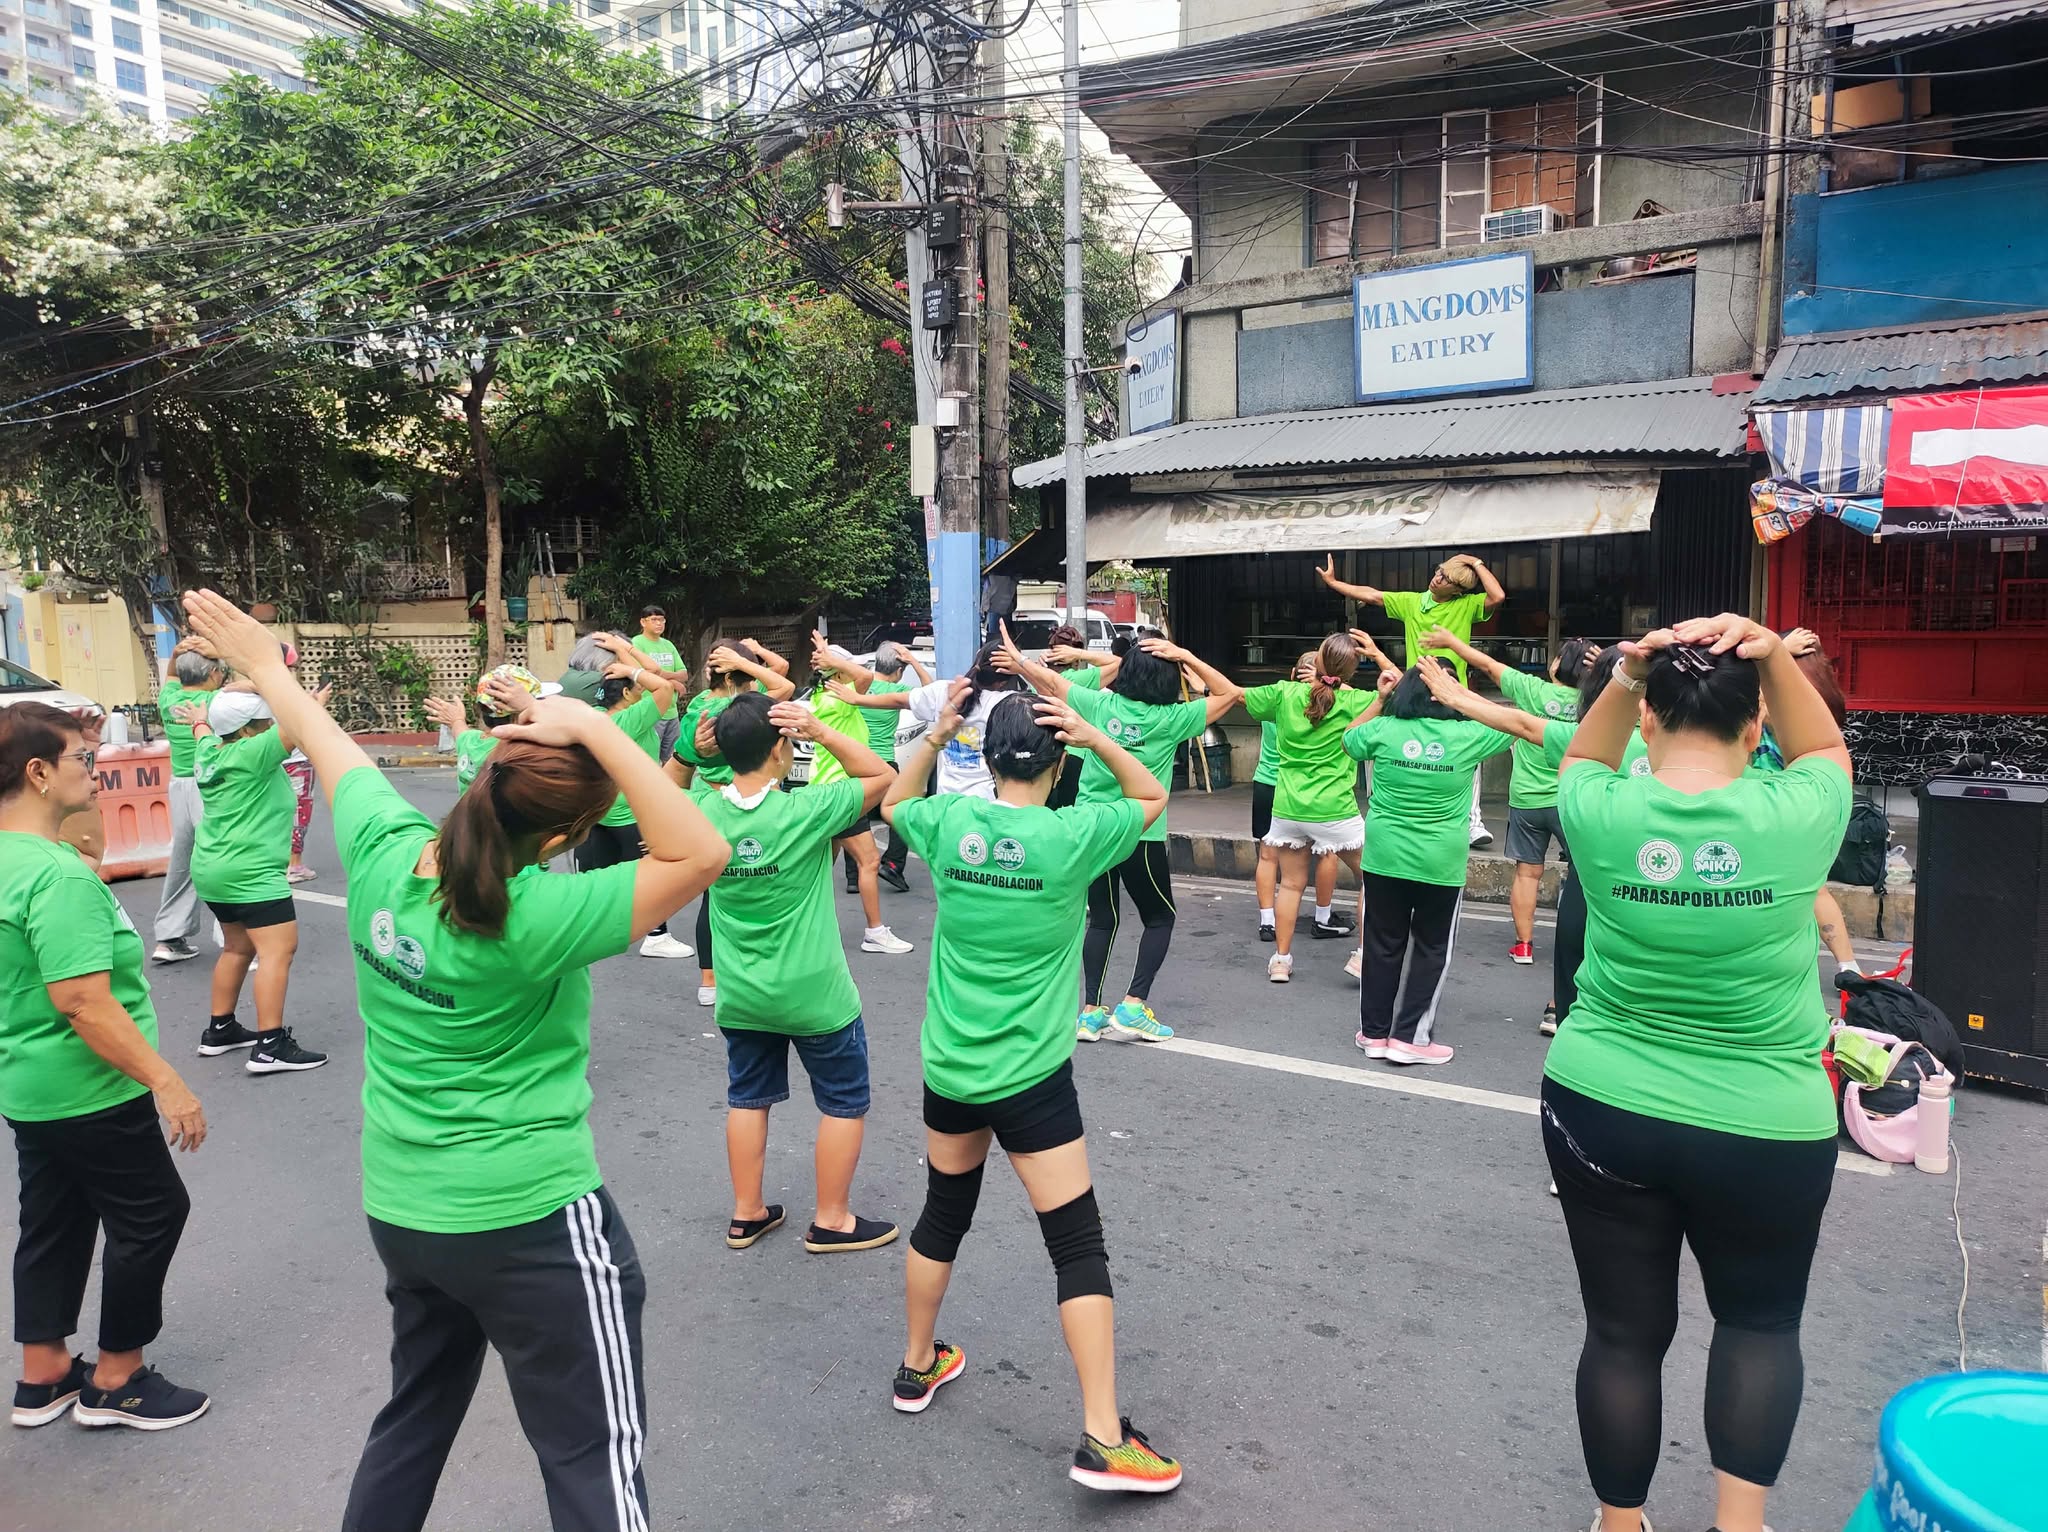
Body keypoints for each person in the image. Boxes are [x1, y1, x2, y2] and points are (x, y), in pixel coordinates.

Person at [176, 589, 729, 1532]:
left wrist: (265, 665)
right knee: (594, 1461)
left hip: (406, 1209)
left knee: (415, 1419)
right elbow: (699, 851)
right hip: (529, 1221)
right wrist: (597, 729)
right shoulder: (538, 915)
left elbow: (326, 740)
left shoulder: (386, 854)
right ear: (561, 839)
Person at [1545, 612, 1853, 1532]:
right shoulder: (1799, 812)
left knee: (1621, 1335)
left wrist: (1627, 673)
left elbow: (1583, 752)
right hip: (1768, 1122)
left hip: (1603, 1103)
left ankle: (1619, 1524)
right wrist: (1772, 652)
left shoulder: (1600, 808)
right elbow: (1824, 746)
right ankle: (1739, 1525)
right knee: (1758, 1325)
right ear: (1756, 727)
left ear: (1647, 720)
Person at [881, 687, 1183, 1494]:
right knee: (1076, 1244)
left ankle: (916, 1365)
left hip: (950, 1066)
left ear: (984, 757)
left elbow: (894, 801)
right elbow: (1150, 796)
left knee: (943, 1212)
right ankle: (1103, 1436)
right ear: (1059, 761)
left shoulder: (948, 822)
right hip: (1032, 1081)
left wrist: (935, 734)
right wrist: (1096, 734)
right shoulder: (1072, 835)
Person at [1, 702, 212, 1432]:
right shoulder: (55, 878)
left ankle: (43, 1374)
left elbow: (40, 974)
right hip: (88, 1085)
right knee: (153, 1215)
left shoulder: (17, 860)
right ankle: (118, 1378)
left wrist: (77, 746)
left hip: (29, 1082)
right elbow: (84, 1002)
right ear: (37, 773)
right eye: (80, 760)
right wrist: (166, 1080)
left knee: (54, 1220)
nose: (93, 772)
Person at [692, 691, 900, 1254]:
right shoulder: (807, 809)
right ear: (780, 750)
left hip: (741, 993)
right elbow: (881, 775)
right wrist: (822, 731)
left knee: (747, 1097)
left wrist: (691, 755)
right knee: (842, 1101)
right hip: (817, 994)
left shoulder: (703, 811)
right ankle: (832, 1219)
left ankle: (746, 1213)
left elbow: (662, 791)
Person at [1001, 624, 1242, 1042]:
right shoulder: (1173, 719)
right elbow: (1230, 693)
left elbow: (1051, 682)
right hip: (1139, 832)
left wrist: (1020, 659)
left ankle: (1091, 1012)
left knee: (1102, 919)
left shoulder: (1098, 705)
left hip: (1092, 828)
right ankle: (1133, 1004)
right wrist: (1185, 654)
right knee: (1159, 918)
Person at [1342, 663, 1513, 1066]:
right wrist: (1461, 696)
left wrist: (1380, 699)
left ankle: (1374, 1033)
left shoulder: (1383, 730)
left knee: (1381, 945)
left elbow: (1349, 740)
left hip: (1384, 857)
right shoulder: (1470, 736)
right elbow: (1512, 724)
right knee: (1432, 948)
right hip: (1440, 862)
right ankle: (1410, 1038)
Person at [1422, 628, 1601, 967]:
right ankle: (1584, 943)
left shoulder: (1532, 690)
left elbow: (1488, 665)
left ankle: (1524, 946)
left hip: (1527, 800)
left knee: (1527, 874)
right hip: (1574, 800)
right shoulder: (1599, 703)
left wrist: (1452, 642)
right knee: (1584, 876)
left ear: (1557, 664)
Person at [177, 683, 328, 1075]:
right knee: (278, 951)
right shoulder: (254, 752)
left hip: (213, 868)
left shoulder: (209, 750)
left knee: (237, 948)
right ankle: (271, 1046)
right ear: (246, 730)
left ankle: (220, 1030)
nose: (270, 726)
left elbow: (202, 730)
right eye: (263, 722)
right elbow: (298, 725)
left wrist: (200, 720)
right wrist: (310, 704)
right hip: (251, 872)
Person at [1318, 551, 1505, 848]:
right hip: (1413, 691)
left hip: (1451, 693)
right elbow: (1374, 595)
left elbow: (1497, 596)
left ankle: (1472, 822)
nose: (1437, 579)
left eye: (1446, 578)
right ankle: (1382, 809)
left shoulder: (1467, 605)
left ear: (1457, 590)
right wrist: (1334, 583)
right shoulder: (1413, 602)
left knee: (1468, 756)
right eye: (1439, 571)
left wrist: (1475, 562)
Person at [1241, 632, 1390, 982]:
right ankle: (1363, 956)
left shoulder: (1286, 693)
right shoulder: (1355, 700)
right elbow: (1400, 686)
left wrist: (1189, 659)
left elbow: (1234, 693)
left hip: (1289, 808)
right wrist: (1377, 654)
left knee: (1291, 885)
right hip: (1333, 810)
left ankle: (1281, 960)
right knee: (1376, 878)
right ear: (1351, 670)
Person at [669, 642, 797, 1007]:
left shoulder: (698, 705)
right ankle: (748, 969)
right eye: (747, 678)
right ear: (731, 679)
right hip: (735, 801)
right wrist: (744, 660)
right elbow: (785, 686)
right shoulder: (724, 711)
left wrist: (748, 656)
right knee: (752, 886)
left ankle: (709, 978)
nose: (753, 685)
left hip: (708, 800)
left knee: (716, 892)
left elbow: (779, 673)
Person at [563, 631, 691, 962]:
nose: (642, 690)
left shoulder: (594, 716)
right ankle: (657, 936)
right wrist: (627, 657)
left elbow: (654, 678)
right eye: (636, 687)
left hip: (600, 811)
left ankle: (595, 931)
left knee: (600, 878)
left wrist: (624, 657)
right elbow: (662, 686)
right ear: (625, 692)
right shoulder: (632, 718)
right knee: (652, 875)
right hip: (633, 812)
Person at [800, 637, 913, 955]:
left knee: (824, 863)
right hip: (842, 789)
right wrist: (833, 660)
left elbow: (861, 675)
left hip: (827, 788)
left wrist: (830, 659)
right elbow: (864, 676)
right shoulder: (839, 696)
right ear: (836, 671)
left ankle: (807, 926)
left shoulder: (823, 694)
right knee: (870, 860)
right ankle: (875, 932)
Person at [832, 639, 1024, 801]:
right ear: (1004, 680)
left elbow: (899, 700)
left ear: (977, 658)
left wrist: (858, 699)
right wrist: (1023, 665)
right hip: (985, 801)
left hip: (946, 801)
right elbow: (1044, 693)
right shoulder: (1009, 703)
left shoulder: (944, 691)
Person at [1255, 650, 1352, 948]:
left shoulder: (1278, 698)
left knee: (1268, 856)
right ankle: (1322, 917)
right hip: (1310, 792)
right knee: (1327, 853)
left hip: (1268, 783)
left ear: (1292, 675)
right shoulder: (1327, 704)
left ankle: (1267, 921)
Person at [1780, 628, 1860, 977]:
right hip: (1817, 796)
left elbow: (1747, 700)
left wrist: (1776, 653)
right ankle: (1849, 967)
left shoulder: (1783, 695)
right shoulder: (1821, 694)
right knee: (1814, 885)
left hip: (1784, 801)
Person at [151, 644, 229, 964]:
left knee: (182, 861)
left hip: (180, 786)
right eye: (220, 671)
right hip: (210, 786)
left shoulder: (169, 699)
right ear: (212, 673)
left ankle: (169, 937)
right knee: (222, 857)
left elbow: (171, 677)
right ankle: (234, 938)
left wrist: (176, 655)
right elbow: (257, 684)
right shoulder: (217, 702)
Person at [423, 665, 563, 798]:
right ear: (516, 715)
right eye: (536, 703)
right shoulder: (522, 751)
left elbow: (459, 729)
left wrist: (456, 720)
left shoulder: (470, 741)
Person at [629, 605, 687, 763]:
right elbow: (641, 674)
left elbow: (683, 674)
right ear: (643, 622)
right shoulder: (636, 643)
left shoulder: (668, 645)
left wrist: (666, 678)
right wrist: (672, 681)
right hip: (651, 711)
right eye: (654, 619)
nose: (659, 623)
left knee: (674, 761)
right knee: (649, 761)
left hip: (672, 712)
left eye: (662, 620)